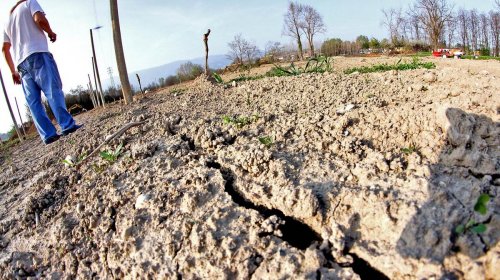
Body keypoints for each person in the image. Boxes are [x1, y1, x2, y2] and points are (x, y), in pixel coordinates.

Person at [2, 0, 81, 145]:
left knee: (34, 103)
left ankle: (48, 135)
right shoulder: (30, 3)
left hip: (21, 64)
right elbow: (39, 19)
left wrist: (13, 71)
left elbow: (5, 49)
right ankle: (67, 126)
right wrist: (50, 32)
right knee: (53, 90)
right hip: (38, 53)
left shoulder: (7, 20)